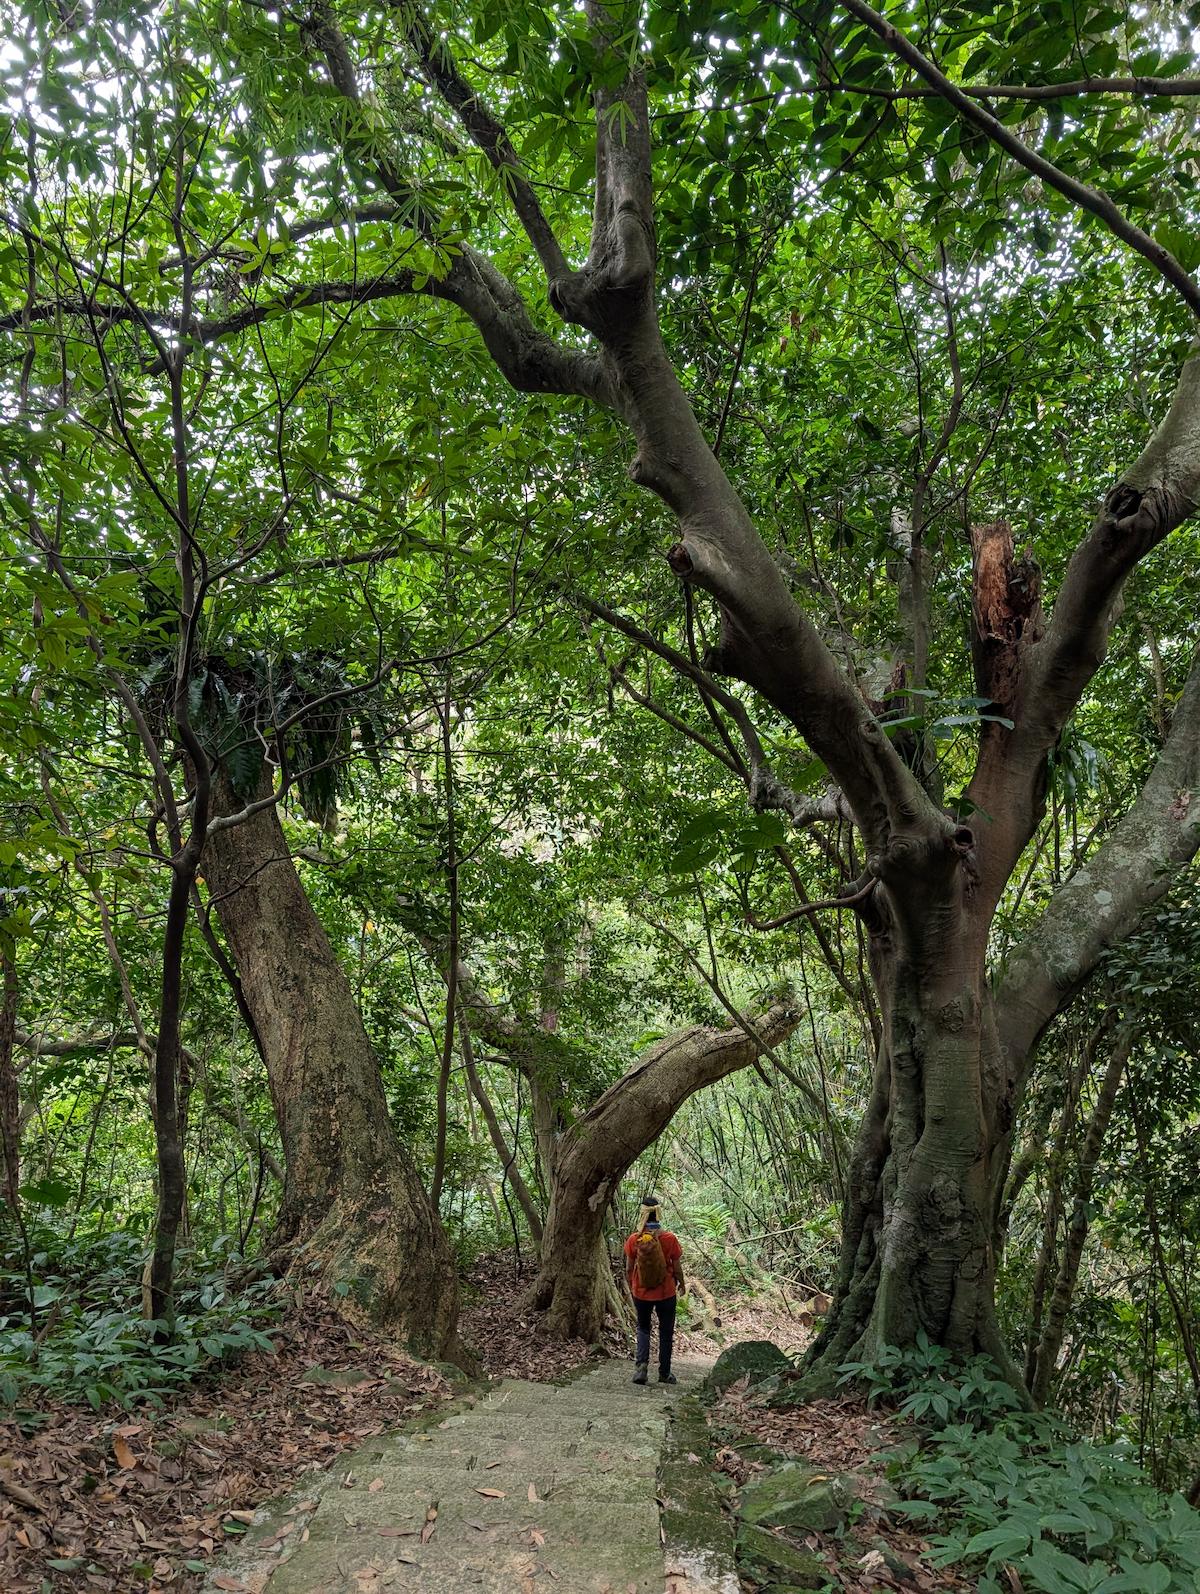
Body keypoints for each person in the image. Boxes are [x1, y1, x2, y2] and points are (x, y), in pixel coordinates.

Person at [624, 1194, 686, 1386]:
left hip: (641, 1293)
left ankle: (641, 1367)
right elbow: (676, 1267)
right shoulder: (669, 1238)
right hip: (666, 1293)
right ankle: (664, 1373)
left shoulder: (635, 1239)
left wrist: (632, 1284)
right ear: (658, 1214)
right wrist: (682, 1283)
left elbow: (629, 1267)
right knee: (666, 1332)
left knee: (643, 1328)